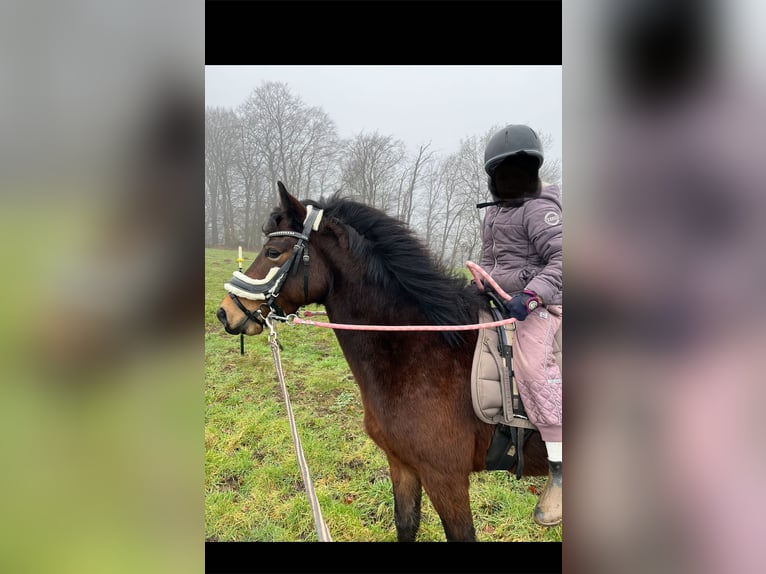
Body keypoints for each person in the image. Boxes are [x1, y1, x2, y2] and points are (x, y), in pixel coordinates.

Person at [479, 124, 563, 527]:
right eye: (504, 172)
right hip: (499, 296)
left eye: (521, 170)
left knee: (531, 365)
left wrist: (532, 296)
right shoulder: (494, 211)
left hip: (539, 304)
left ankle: (561, 475)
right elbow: (495, 260)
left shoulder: (540, 208)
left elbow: (564, 259)